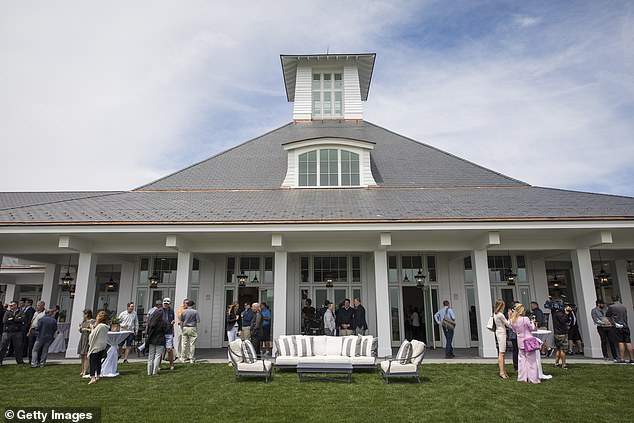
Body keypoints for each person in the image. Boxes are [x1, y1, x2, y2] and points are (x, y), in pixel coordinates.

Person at [509, 303, 540, 384]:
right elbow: (532, 328)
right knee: (531, 360)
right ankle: (533, 378)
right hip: (528, 340)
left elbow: (514, 330)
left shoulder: (512, 320)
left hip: (520, 341)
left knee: (521, 360)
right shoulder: (525, 319)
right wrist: (533, 322)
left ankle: (522, 377)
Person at [606, 295, 634, 364]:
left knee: (620, 342)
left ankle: (622, 358)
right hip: (625, 325)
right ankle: (632, 358)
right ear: (618, 299)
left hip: (617, 326)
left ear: (612, 299)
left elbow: (607, 315)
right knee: (628, 342)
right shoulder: (623, 306)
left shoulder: (612, 307)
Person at [547, 297, 572, 369]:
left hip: (556, 333)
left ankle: (557, 363)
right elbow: (563, 320)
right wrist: (567, 313)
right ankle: (564, 364)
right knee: (563, 350)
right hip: (562, 333)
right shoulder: (559, 313)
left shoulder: (554, 312)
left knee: (558, 349)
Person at [0, 301, 25, 365]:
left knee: (18, 347)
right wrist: (16, 319)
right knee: (3, 347)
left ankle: (20, 361)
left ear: (16, 305)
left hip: (17, 332)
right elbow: (5, 321)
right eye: (10, 305)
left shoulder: (21, 312)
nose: (10, 306)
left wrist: (12, 319)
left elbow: (22, 319)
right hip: (7, 331)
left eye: (12, 305)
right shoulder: (7, 312)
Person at [87, 311, 109, 385]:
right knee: (98, 361)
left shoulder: (100, 326)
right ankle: (98, 375)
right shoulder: (105, 326)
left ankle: (93, 377)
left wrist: (92, 328)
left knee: (93, 362)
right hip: (102, 345)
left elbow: (93, 335)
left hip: (96, 346)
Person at [146, 309, 168, 375]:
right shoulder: (163, 322)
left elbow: (148, 331)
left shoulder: (151, 322)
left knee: (150, 357)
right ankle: (154, 372)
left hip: (152, 340)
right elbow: (166, 330)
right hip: (160, 340)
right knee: (157, 356)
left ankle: (149, 372)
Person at [493, 299, 511, 379]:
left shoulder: (495, 314)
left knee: (502, 353)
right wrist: (510, 316)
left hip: (499, 332)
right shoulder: (500, 314)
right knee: (502, 353)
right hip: (501, 333)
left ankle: (503, 371)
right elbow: (508, 324)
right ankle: (502, 372)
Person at [77, 309, 95, 377]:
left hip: (88, 338)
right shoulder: (83, 321)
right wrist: (80, 329)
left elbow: (94, 330)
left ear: (87, 314)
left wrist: (87, 329)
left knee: (86, 355)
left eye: (84, 314)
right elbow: (80, 329)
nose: (83, 315)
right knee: (82, 355)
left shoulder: (92, 321)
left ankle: (85, 371)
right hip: (82, 338)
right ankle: (83, 370)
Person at [161, 298, 176, 370]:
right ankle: (158, 366)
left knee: (169, 350)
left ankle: (171, 365)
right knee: (160, 350)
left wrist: (173, 330)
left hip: (169, 332)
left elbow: (173, 320)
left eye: (167, 303)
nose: (165, 305)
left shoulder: (171, 310)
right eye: (164, 303)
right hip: (161, 332)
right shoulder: (160, 311)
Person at [225, 301, 241, 366]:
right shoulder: (229, 312)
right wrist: (235, 319)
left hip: (237, 328)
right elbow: (228, 321)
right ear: (233, 306)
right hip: (231, 329)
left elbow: (240, 321)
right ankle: (230, 360)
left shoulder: (239, 311)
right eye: (236, 306)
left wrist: (240, 330)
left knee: (237, 344)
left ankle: (237, 359)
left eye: (238, 306)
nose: (237, 307)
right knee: (231, 343)